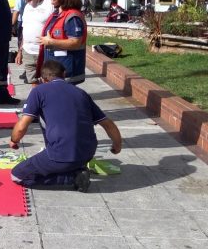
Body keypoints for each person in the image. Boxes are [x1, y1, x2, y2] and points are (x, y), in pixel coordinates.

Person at [8, 60, 122, 192]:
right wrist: (117, 146)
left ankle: (73, 178)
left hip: (60, 154)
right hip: (87, 153)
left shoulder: (38, 91)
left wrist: (13, 140)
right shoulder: (81, 93)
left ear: (43, 79)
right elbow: (107, 123)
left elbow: (22, 126)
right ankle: (75, 168)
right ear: (64, 74)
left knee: (17, 175)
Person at [39, 0, 88, 84]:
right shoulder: (57, 14)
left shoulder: (72, 17)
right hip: (54, 71)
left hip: (66, 73)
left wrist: (51, 41)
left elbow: (75, 42)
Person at [15, 0, 54, 85]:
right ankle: (37, 101)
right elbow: (25, 29)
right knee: (34, 83)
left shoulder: (50, 3)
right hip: (28, 52)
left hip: (44, 52)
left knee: (48, 83)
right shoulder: (27, 7)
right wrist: (20, 51)